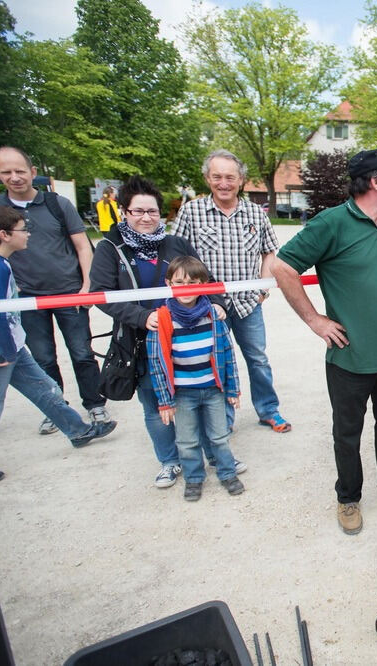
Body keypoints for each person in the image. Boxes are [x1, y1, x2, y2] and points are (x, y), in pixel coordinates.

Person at [272, 148, 377, 536]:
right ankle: (348, 499)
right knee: (348, 432)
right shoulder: (332, 223)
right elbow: (283, 266)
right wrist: (315, 320)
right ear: (376, 183)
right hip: (349, 356)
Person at [89, 175, 244, 489]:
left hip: (190, 335)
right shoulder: (109, 248)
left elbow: (205, 279)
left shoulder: (175, 243)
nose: (146, 218)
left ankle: (215, 454)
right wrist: (142, 317)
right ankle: (170, 461)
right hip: (143, 340)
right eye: (138, 212)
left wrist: (217, 303)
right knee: (155, 403)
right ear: (124, 212)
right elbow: (101, 294)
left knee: (201, 396)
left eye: (153, 212)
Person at [0, 206, 117, 484]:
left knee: (43, 389)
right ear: (4, 234)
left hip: (10, 345)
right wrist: (6, 351)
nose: (27, 235)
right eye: (23, 230)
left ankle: (78, 430)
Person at [0, 146, 109, 435]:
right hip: (26, 297)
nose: (15, 177)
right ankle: (56, 408)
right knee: (43, 356)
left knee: (81, 351)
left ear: (33, 173)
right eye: (7, 172)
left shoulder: (57, 204)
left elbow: (82, 246)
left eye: (20, 170)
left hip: (68, 291)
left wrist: (86, 287)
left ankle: (95, 403)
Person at [173, 149, 290, 433]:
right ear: (207, 178)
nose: (223, 183)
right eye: (217, 177)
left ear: (240, 180)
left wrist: (263, 290)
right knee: (216, 360)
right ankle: (221, 419)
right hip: (208, 307)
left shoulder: (254, 212)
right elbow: (176, 256)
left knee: (258, 358)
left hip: (249, 304)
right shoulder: (191, 212)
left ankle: (268, 410)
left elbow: (269, 253)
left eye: (229, 177)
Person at [146, 257, 244, 502]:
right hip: (183, 393)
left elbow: (228, 354)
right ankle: (194, 478)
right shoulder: (162, 319)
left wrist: (233, 389)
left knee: (220, 436)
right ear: (168, 283)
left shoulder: (213, 315)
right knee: (187, 441)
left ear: (204, 284)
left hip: (213, 390)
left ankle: (227, 472)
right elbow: (157, 364)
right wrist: (165, 401)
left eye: (193, 282)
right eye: (179, 282)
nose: (186, 288)